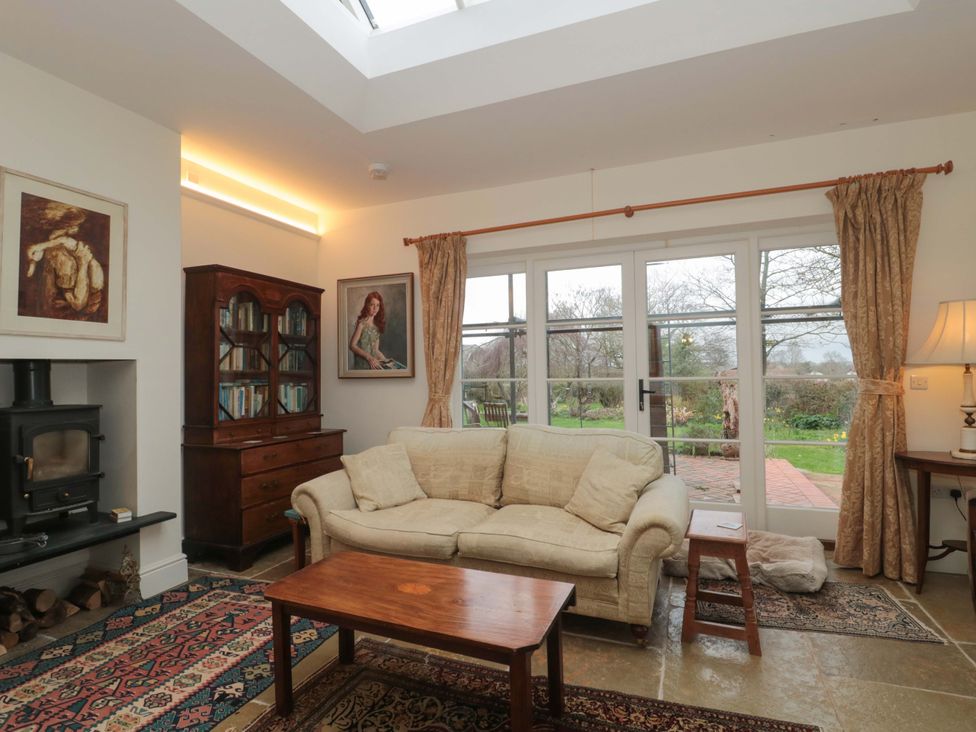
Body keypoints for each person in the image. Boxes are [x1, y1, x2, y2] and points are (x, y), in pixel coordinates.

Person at [23, 206, 105, 317]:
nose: (76, 229)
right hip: (83, 293)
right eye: (75, 225)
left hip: (90, 290)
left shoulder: (68, 245)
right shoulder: (58, 252)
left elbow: (78, 304)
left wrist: (38, 250)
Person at [349, 291, 403, 370]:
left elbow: (375, 350)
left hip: (373, 365)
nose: (375, 308)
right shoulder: (361, 324)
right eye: (372, 305)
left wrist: (385, 360)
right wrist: (368, 357)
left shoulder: (376, 327)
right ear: (367, 305)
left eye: (377, 305)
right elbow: (352, 346)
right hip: (362, 365)